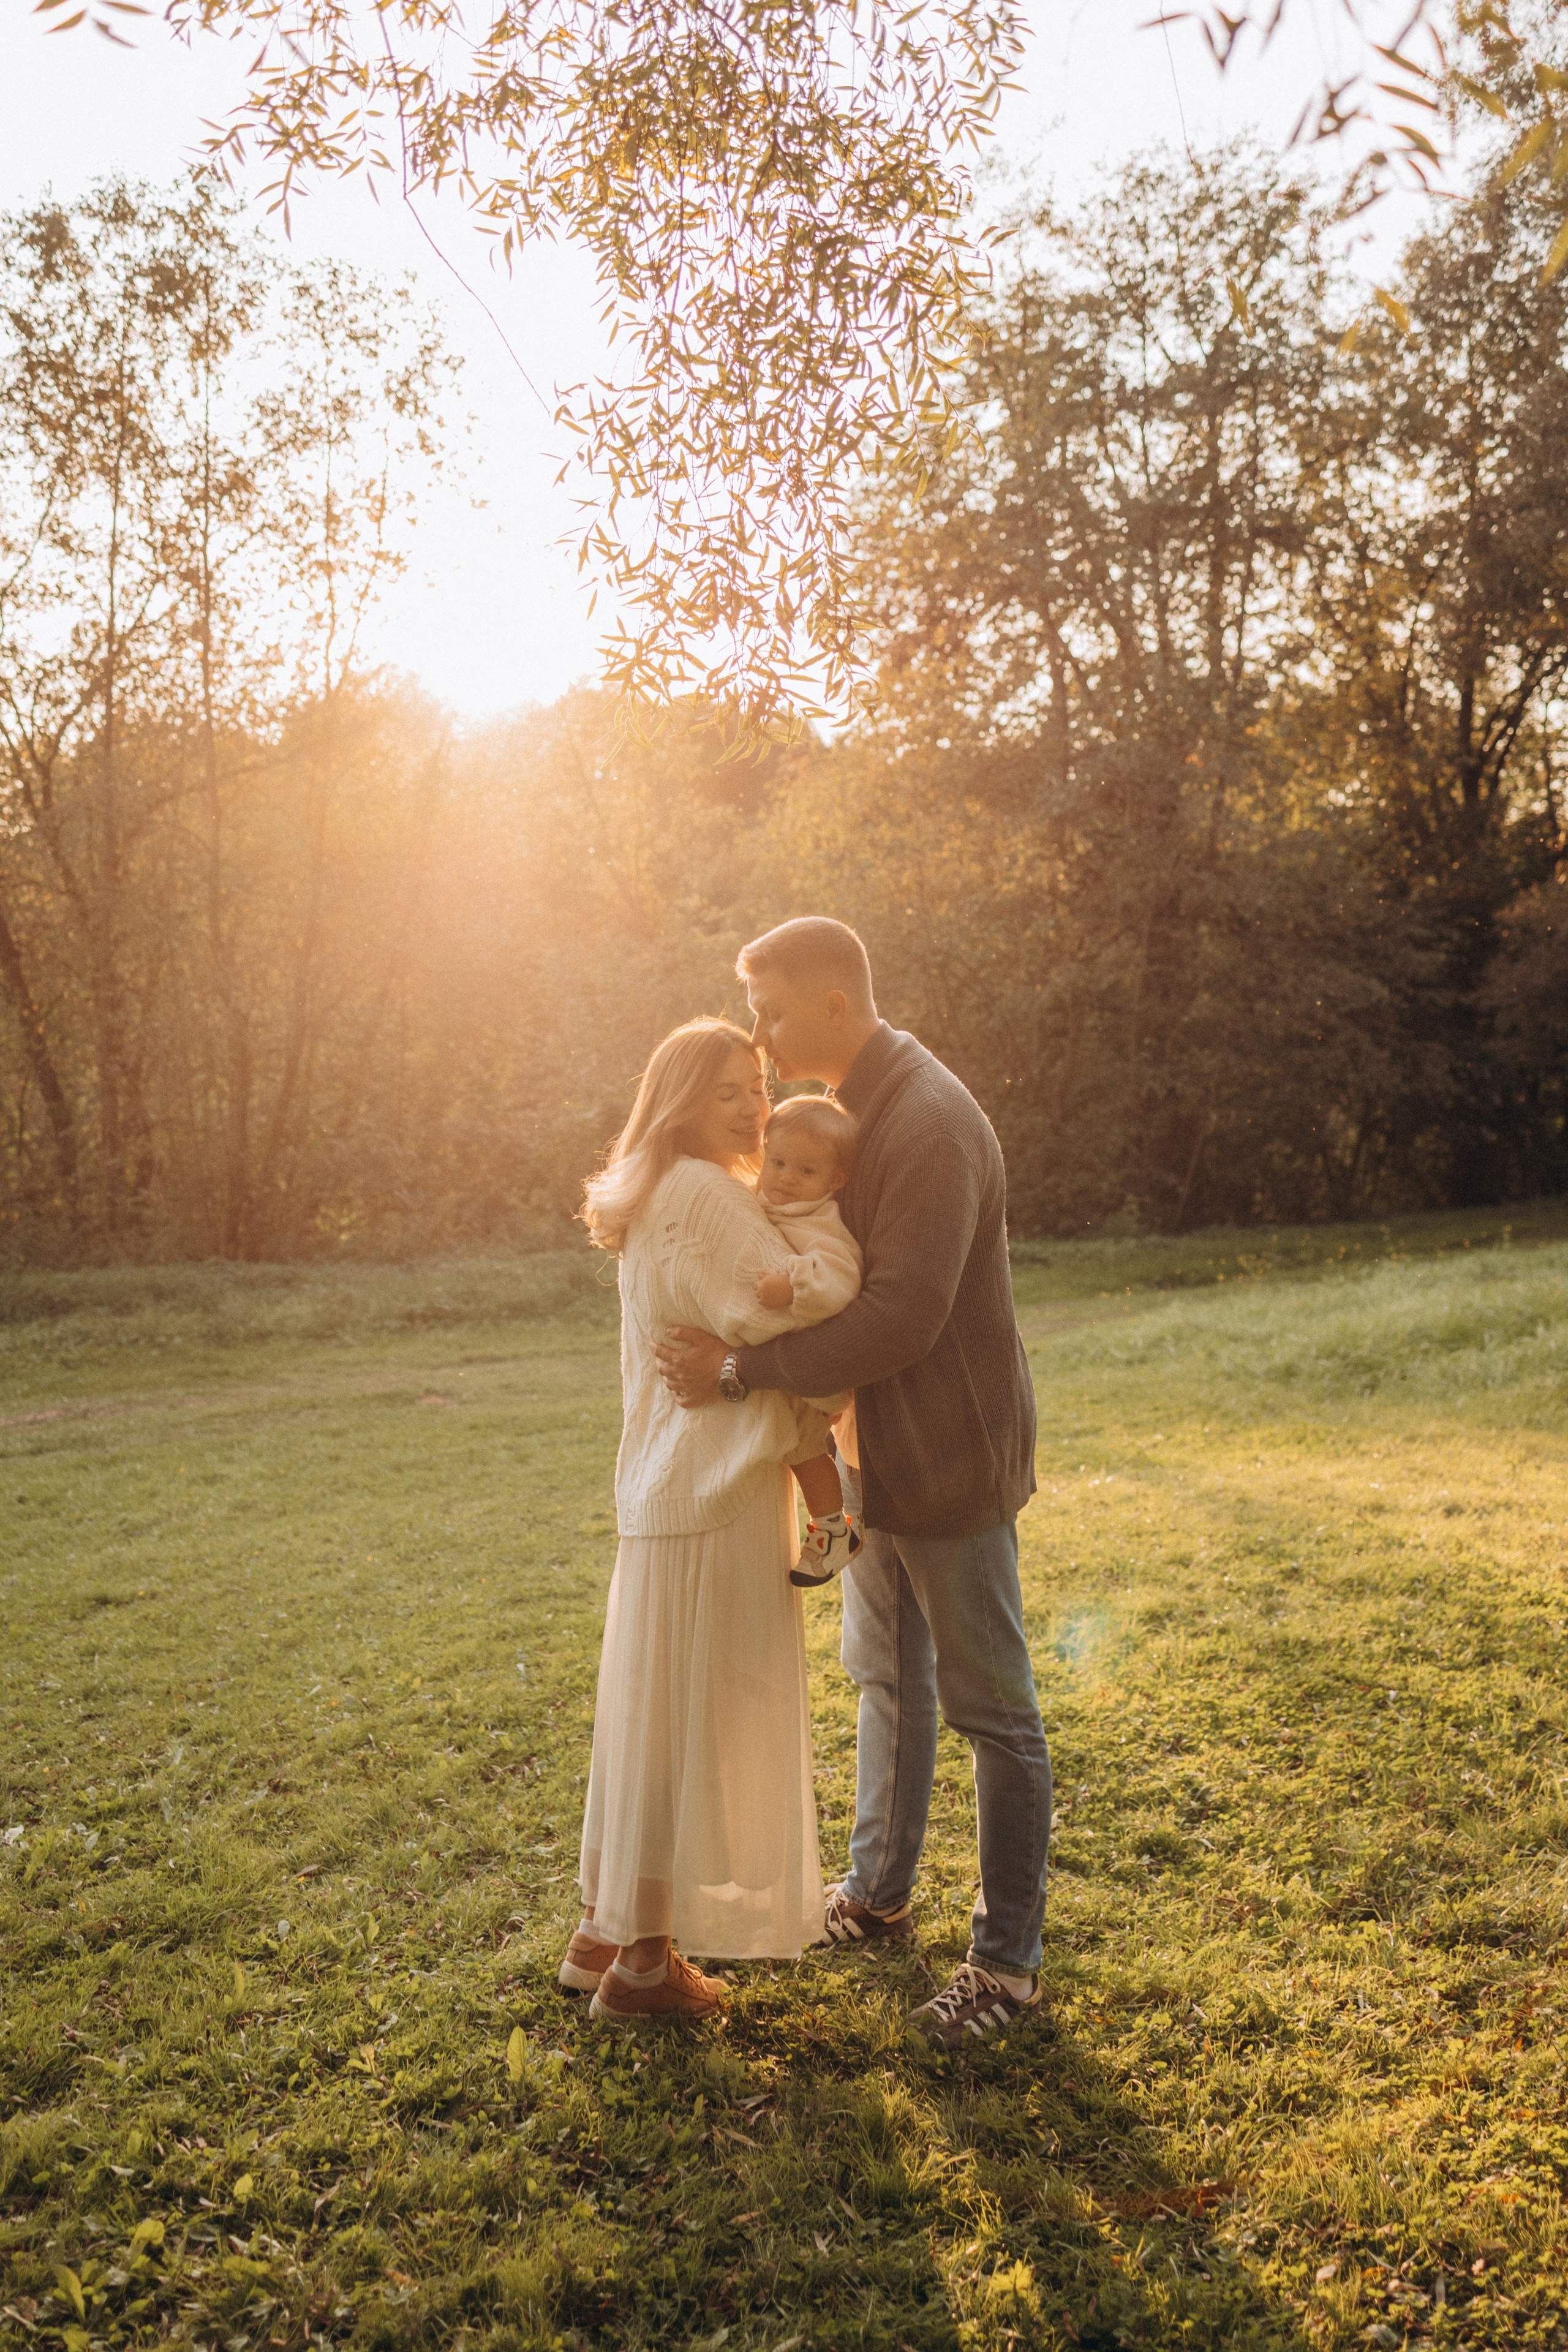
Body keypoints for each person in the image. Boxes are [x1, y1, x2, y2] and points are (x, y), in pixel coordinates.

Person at [654, 919, 1051, 2051]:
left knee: (993, 1710)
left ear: (836, 1003)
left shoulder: (924, 1119)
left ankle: (1007, 1968)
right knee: (886, 1677)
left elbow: (901, 1315)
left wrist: (743, 1371)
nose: (762, 1036)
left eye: (773, 1011)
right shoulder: (849, 1114)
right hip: (879, 1458)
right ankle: (877, 1896)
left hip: (954, 1458)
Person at [560, 1017, 851, 2024]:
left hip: (659, 1493)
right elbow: (793, 1314)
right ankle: (645, 1965)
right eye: (731, 1089)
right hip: (714, 1494)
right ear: (682, 1101)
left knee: (651, 1714)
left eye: (761, 1086)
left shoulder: (651, 1198)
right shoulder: (709, 1196)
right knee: (694, 1723)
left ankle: (606, 1931)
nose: (755, 1106)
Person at [750, 1093, 865, 1585]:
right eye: (776, 1162)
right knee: (793, 1444)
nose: (785, 1178)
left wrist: (793, 1283)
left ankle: (835, 1530)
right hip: (791, 1366)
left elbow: (841, 1280)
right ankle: (833, 1527)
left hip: (815, 1369)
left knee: (803, 1448)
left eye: (805, 1171)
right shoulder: (768, 1201)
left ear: (834, 1180)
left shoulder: (820, 1221)